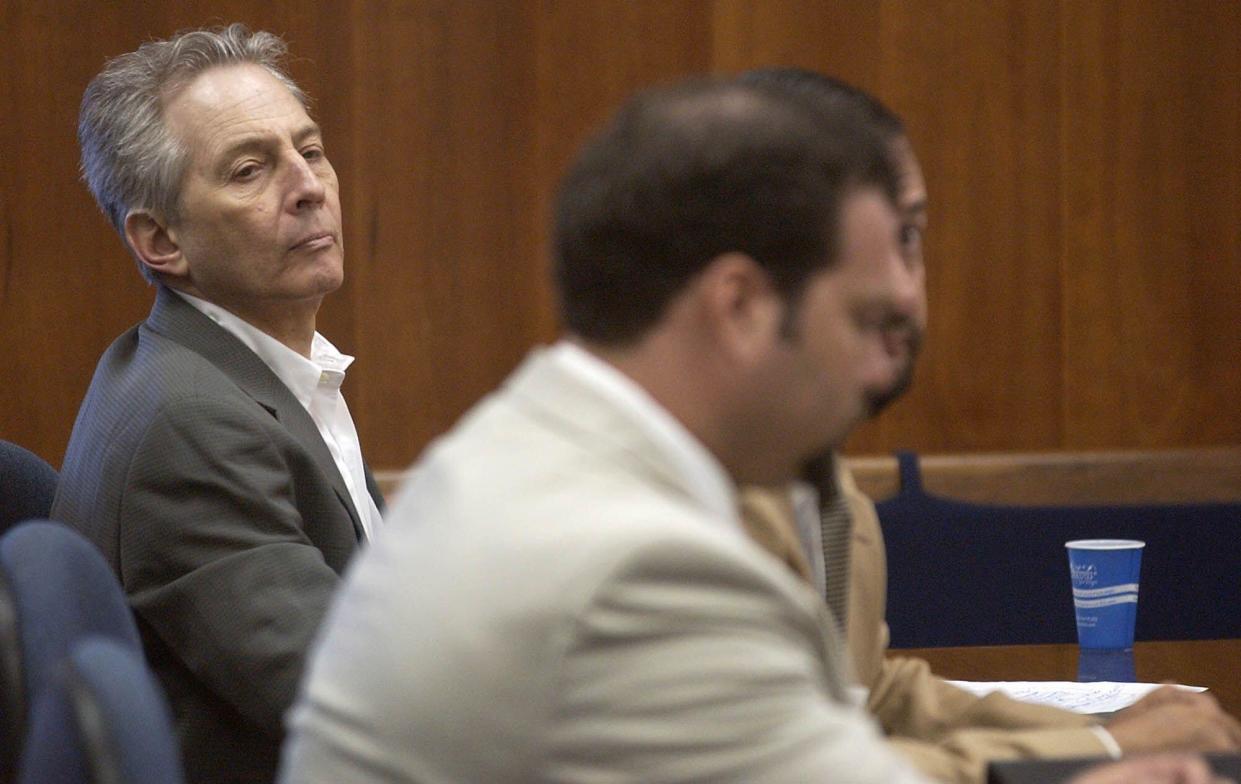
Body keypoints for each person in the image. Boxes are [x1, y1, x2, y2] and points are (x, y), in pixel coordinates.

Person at [280, 76, 933, 783]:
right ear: (740, 306)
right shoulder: (641, 569)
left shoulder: (518, 446)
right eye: (861, 319)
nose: (884, 353)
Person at [734, 68, 1241, 783]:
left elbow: (863, 693)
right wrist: (1102, 752)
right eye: (883, 241)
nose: (906, 291)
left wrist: (1106, 731)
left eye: (913, 239)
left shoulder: (820, 478)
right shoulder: (689, 510)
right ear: (744, 279)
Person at [52, 24, 382, 784]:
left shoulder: (255, 369)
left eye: (311, 150)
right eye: (249, 170)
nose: (308, 187)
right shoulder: (191, 424)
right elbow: (353, 703)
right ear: (161, 240)